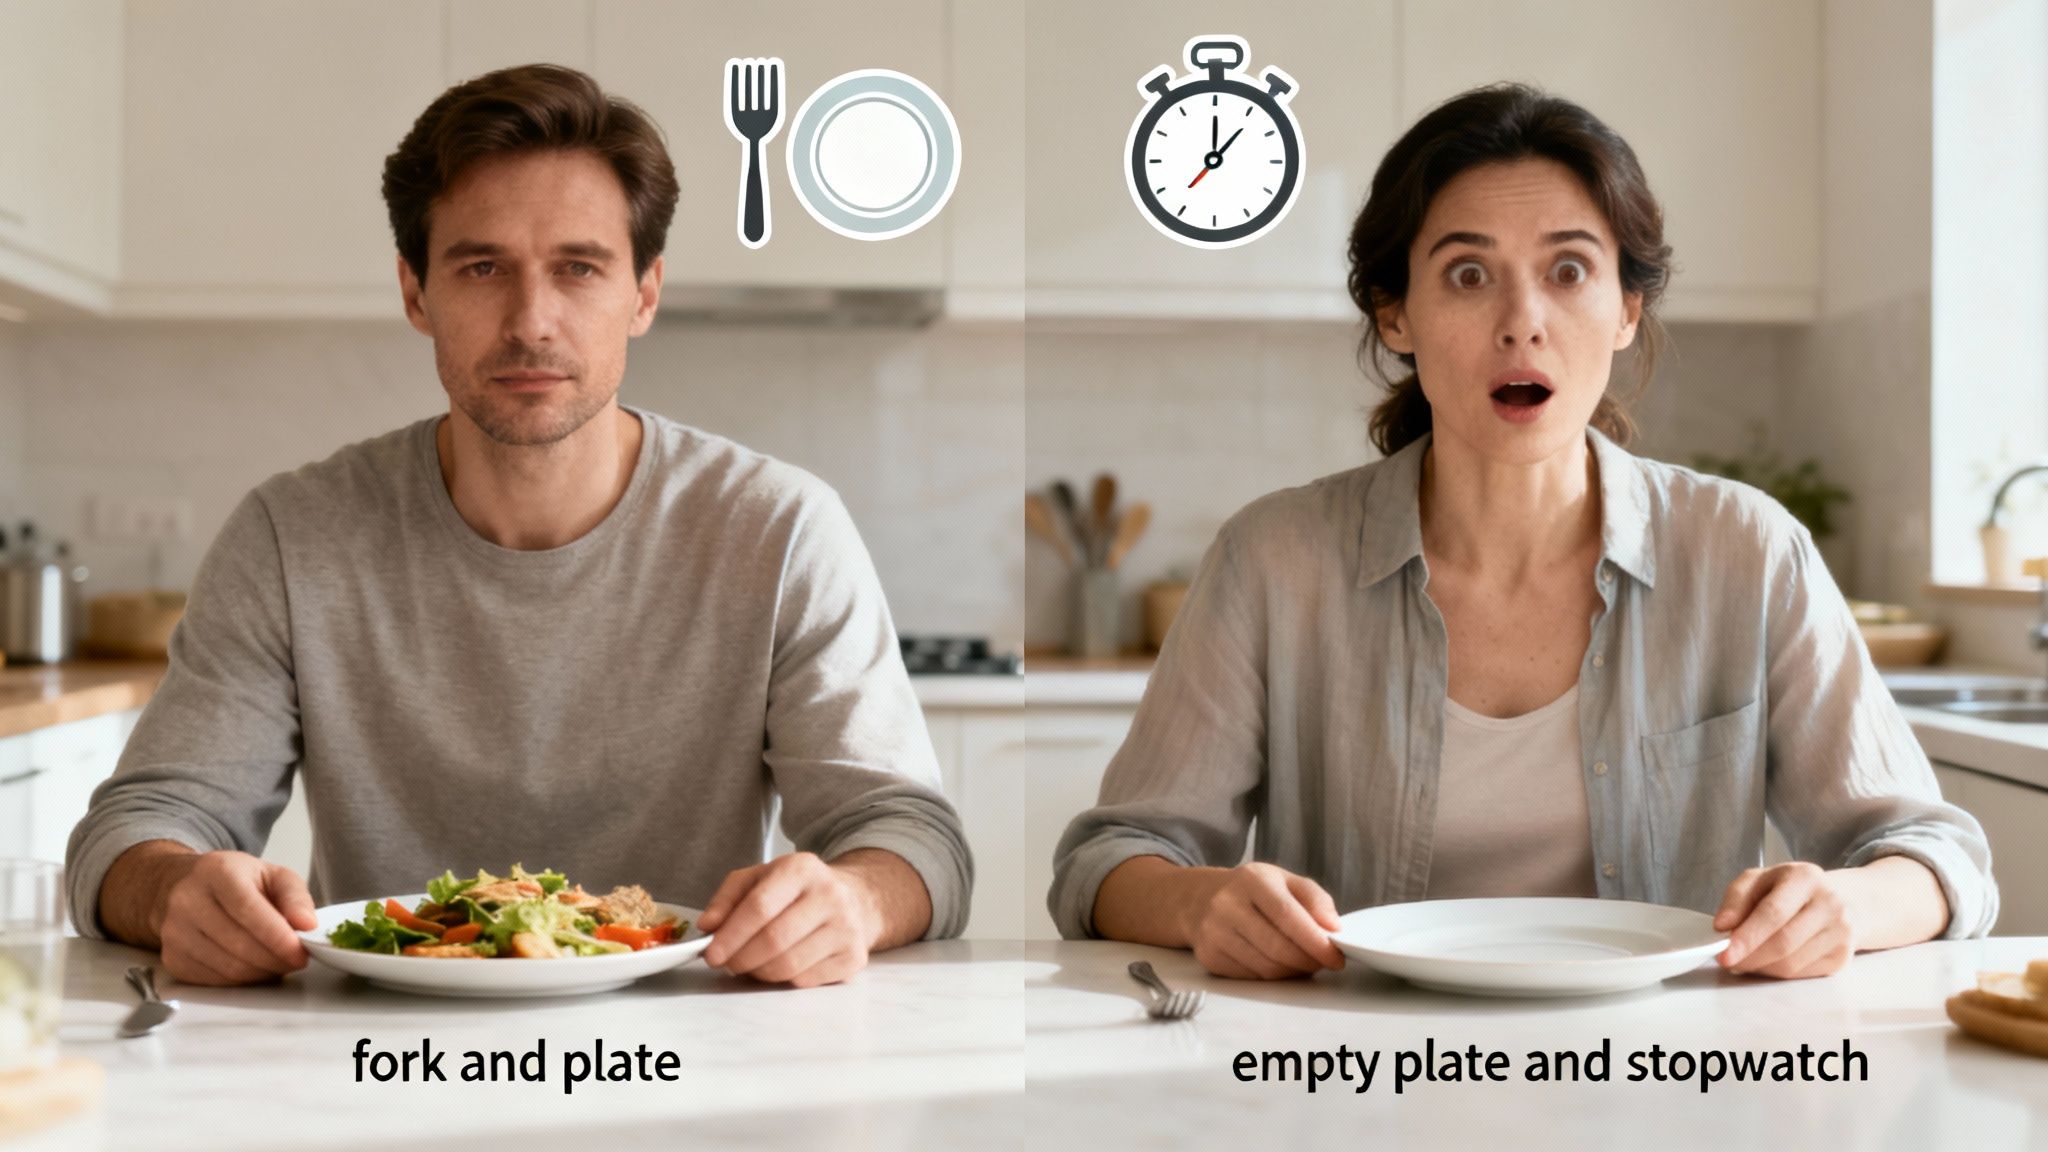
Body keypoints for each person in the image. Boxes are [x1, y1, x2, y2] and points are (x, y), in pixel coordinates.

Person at [1049, 83, 1996, 981]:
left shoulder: (1746, 550)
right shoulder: (1274, 560)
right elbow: (1111, 858)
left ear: (1627, 308)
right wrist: (1195, 904)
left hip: (1673, 1075)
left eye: (1570, 270)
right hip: (1359, 1073)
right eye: (1468, 274)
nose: (1522, 323)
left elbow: (1933, 856)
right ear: (1397, 313)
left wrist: (1845, 907)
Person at [67, 64, 970, 988]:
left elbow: (914, 838)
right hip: (380, 1050)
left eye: (579, 268)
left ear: (645, 293)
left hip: (697, 1036)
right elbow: (137, 827)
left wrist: (853, 901)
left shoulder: (779, 530)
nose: (532, 321)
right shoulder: (292, 535)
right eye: (481, 267)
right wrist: (176, 887)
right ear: (417, 293)